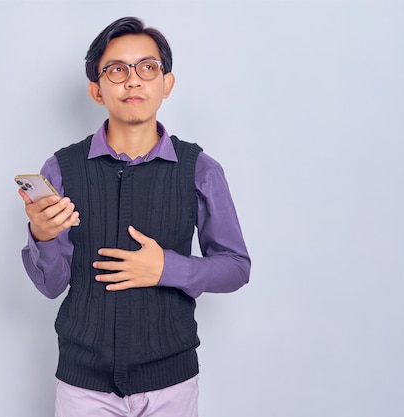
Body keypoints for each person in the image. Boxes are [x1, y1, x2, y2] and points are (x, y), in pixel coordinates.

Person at [19, 16, 251, 417]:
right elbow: (51, 285)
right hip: (83, 384)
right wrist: (40, 235)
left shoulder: (200, 169)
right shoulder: (61, 169)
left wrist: (167, 268)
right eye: (116, 70)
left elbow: (235, 267)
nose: (132, 81)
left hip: (171, 381)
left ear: (166, 83)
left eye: (147, 67)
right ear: (96, 90)